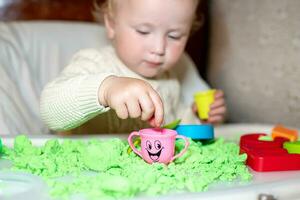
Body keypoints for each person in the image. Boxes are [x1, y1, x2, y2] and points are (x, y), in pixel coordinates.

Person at [40, 0, 226, 134]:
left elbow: (176, 133)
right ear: (112, 24)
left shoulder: (174, 74)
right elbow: (49, 112)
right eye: (143, 31)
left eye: (175, 36)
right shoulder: (95, 62)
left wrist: (200, 118)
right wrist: (105, 89)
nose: (158, 48)